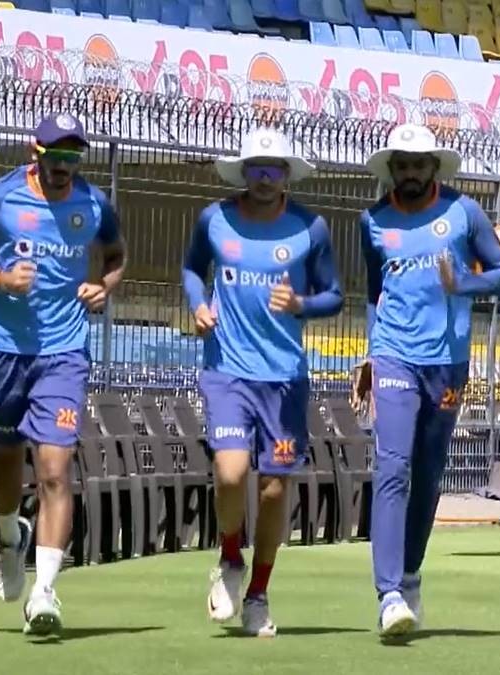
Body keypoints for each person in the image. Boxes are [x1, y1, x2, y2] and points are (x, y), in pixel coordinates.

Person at [0, 113, 126, 636]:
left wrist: (104, 285)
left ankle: (44, 591)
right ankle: (9, 536)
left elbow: (116, 255)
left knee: (55, 470)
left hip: (64, 353)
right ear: (35, 153)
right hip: (4, 351)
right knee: (6, 462)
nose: (65, 166)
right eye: (56, 155)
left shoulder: (93, 205)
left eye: (73, 156)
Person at [352, 123, 500, 639]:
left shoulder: (465, 212)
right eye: (402, 164)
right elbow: (374, 293)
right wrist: (372, 353)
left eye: (419, 164)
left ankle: (410, 575)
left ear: (434, 167)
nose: (410, 172)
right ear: (391, 169)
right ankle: (388, 595)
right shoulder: (373, 221)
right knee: (393, 467)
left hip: (447, 363)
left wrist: (462, 282)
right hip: (394, 357)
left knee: (426, 474)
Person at [182, 128, 343, 637]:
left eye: (274, 169)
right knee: (231, 473)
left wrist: (301, 304)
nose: (265, 177)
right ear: (244, 171)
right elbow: (192, 270)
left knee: (274, 490)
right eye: (257, 168)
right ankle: (231, 558)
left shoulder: (310, 228)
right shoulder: (214, 218)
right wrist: (198, 304)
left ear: (287, 174)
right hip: (227, 370)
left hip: (285, 378)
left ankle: (258, 595)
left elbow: (335, 296)